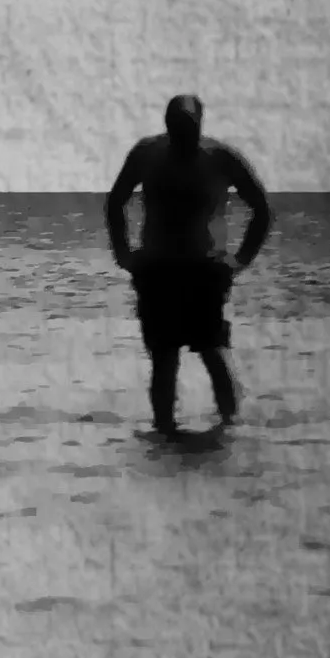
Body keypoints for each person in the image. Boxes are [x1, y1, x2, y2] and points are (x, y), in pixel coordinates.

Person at [105, 95, 270, 435]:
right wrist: (123, 252)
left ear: (200, 124)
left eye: (189, 127)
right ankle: (163, 432)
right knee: (163, 358)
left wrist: (240, 259)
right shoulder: (147, 154)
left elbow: (261, 209)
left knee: (213, 350)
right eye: (177, 127)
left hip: (204, 271)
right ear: (167, 125)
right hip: (157, 270)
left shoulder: (220, 157)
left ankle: (230, 428)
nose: (183, 134)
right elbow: (116, 201)